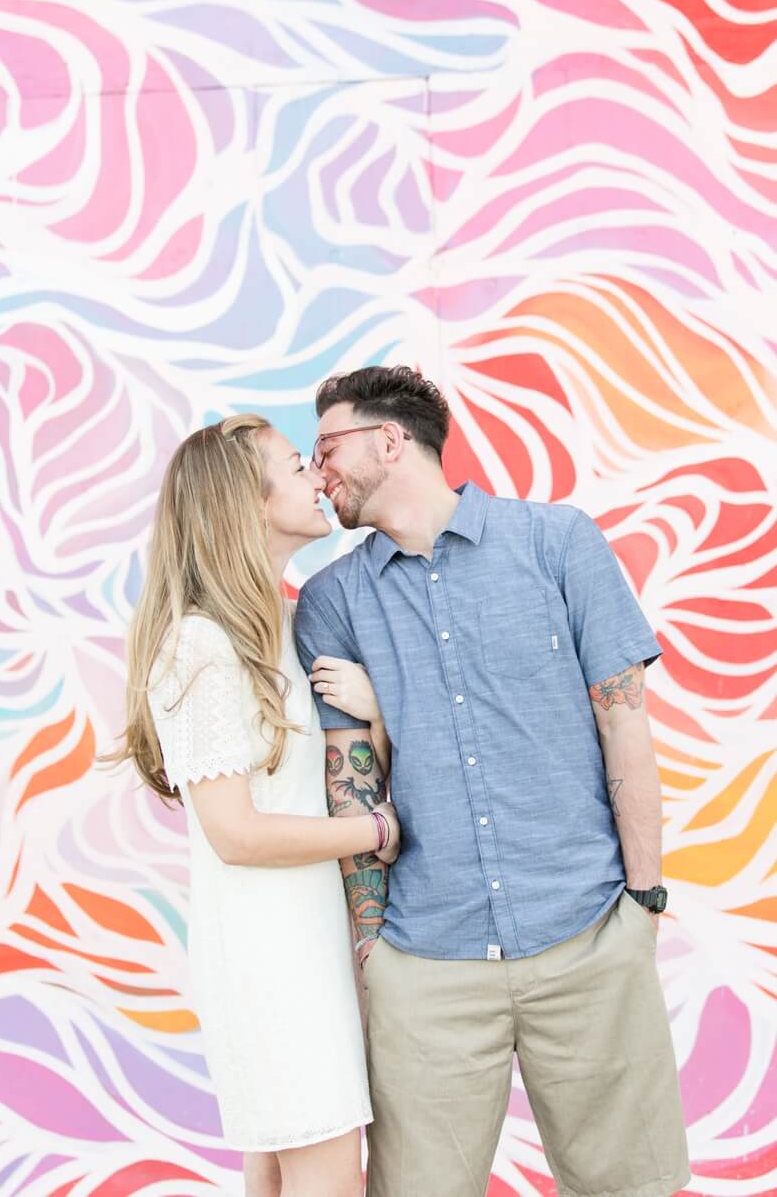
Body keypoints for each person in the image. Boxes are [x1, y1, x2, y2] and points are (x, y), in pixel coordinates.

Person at [294, 365, 690, 1197]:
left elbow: (625, 722)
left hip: (588, 933)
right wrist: (375, 957)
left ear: (390, 440)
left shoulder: (557, 542)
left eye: (328, 445)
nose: (316, 468)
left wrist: (644, 902)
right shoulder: (332, 600)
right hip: (425, 960)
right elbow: (351, 789)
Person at [115, 414, 401, 1197]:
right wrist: (373, 831)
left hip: (311, 938)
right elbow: (234, 832)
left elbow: (310, 774)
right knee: (324, 1166)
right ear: (244, 500)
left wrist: (373, 714)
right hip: (269, 953)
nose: (318, 475)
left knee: (284, 1167)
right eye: (295, 463)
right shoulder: (201, 645)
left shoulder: (280, 624)